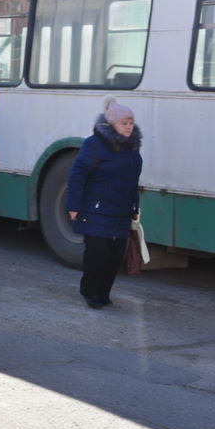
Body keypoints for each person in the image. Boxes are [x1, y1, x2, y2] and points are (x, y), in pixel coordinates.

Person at [66, 96, 143, 310]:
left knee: (115, 257)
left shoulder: (131, 149)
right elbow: (77, 174)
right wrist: (73, 206)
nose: (128, 127)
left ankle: (103, 293)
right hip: (95, 210)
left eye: (130, 123)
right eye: (123, 123)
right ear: (111, 125)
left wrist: (135, 208)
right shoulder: (95, 145)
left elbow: (131, 182)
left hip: (121, 214)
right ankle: (90, 293)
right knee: (97, 254)